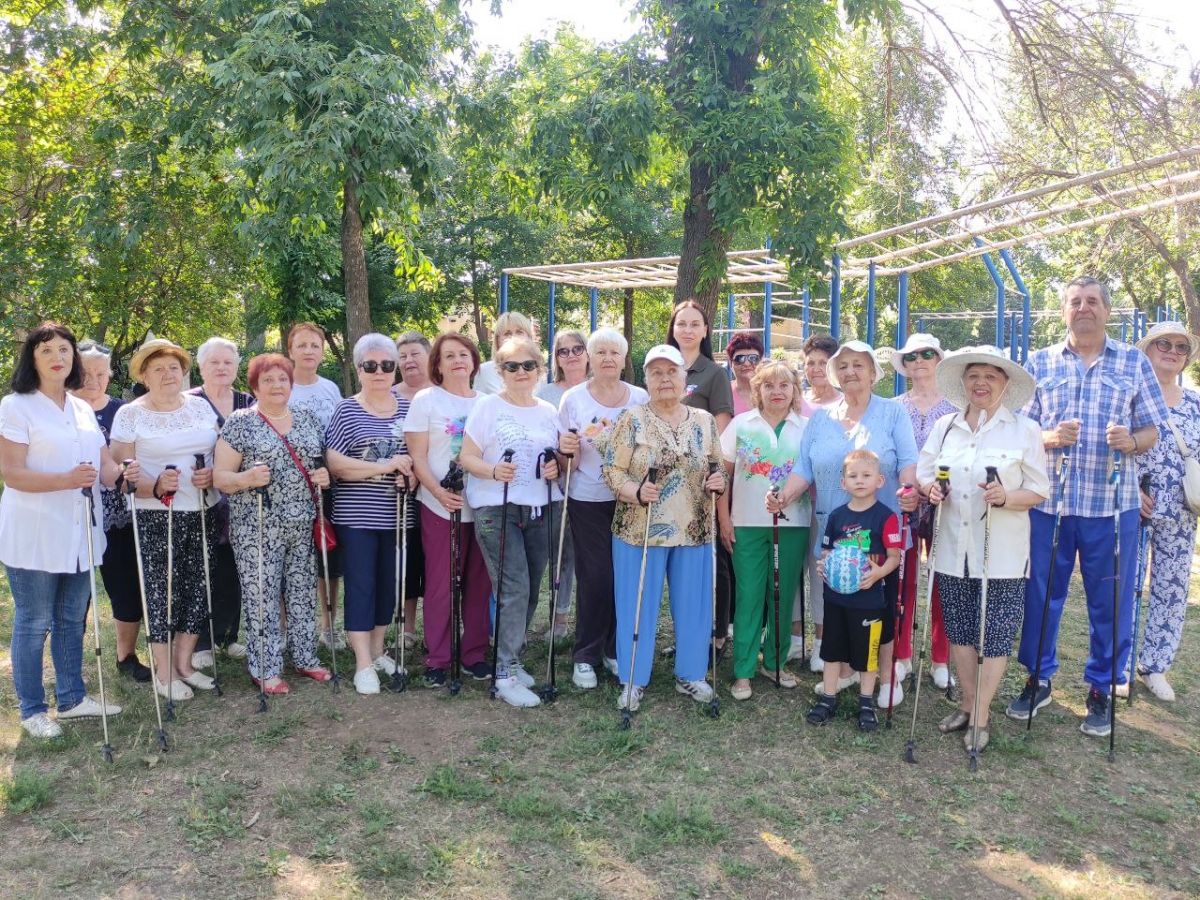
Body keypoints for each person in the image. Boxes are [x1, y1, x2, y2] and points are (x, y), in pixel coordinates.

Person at [1006, 276, 1167, 737]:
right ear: (1063, 312)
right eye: (1074, 301)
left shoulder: (1134, 362)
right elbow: (1020, 430)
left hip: (1112, 506)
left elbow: (1152, 428)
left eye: (1092, 301)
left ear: (1107, 310)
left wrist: (1132, 441)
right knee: (1040, 594)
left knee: (1110, 600)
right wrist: (1051, 437)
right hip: (1049, 503)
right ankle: (1038, 677)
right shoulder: (1039, 362)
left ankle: (1101, 687)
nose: (1083, 308)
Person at [770, 340, 919, 707]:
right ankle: (850, 672)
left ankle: (885, 676)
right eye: (845, 366)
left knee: (879, 605)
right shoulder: (821, 418)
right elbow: (804, 468)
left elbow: (908, 461)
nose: (851, 372)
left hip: (880, 531)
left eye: (859, 365)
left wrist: (910, 490)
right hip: (835, 529)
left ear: (872, 372)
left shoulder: (892, 413)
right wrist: (783, 495)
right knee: (837, 601)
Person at [1, 324, 130, 738]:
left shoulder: (81, 408)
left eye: (64, 349)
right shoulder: (16, 406)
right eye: (46, 350)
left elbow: (104, 465)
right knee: (34, 621)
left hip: (81, 531)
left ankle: (72, 698)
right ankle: (33, 709)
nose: (58, 357)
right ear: (32, 359)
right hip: (35, 532)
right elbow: (11, 473)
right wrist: (67, 479)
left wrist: (122, 474)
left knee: (73, 617)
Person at [918, 346, 1049, 753]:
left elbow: (1039, 490)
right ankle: (968, 703)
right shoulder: (944, 426)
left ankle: (982, 714)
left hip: (1003, 554)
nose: (981, 383)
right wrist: (931, 489)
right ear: (962, 382)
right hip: (953, 548)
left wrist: (1006, 496)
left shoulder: (1024, 430)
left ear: (1005, 384)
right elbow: (925, 472)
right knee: (959, 629)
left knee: (994, 635)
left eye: (991, 376)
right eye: (974, 375)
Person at [605, 344, 726, 713]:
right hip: (640, 529)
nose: (664, 379)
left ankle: (691, 674)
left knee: (694, 605)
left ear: (684, 377)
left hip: (694, 527)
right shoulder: (632, 419)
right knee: (636, 605)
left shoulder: (704, 421)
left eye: (671, 371)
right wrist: (636, 491)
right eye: (656, 373)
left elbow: (716, 466)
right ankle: (632, 679)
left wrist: (717, 482)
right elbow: (612, 470)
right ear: (646, 380)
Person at [213, 354, 332, 693]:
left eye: (282, 379)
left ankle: (306, 657)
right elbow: (221, 477)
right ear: (255, 386)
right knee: (261, 595)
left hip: (302, 521)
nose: (277, 385)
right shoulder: (241, 422)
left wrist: (324, 476)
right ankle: (264, 668)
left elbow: (318, 465)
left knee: (302, 591)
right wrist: (248, 478)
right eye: (268, 380)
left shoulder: (307, 419)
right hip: (258, 526)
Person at [110, 337, 219, 702]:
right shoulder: (131, 414)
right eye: (158, 369)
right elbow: (121, 469)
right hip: (158, 514)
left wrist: (213, 473)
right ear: (144, 375)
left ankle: (186, 664)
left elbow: (217, 453)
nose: (168, 374)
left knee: (198, 588)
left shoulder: (201, 408)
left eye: (174, 367)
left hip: (203, 509)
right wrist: (154, 486)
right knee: (161, 593)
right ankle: (164, 671)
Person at [459, 336, 562, 707]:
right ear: (500, 372)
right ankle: (503, 674)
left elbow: (558, 459)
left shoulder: (549, 411)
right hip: (496, 508)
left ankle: (513, 659)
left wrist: (556, 466)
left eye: (528, 365)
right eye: (512, 366)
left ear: (539, 369)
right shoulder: (487, 407)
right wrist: (492, 469)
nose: (521, 372)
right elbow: (466, 457)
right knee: (513, 588)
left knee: (532, 588)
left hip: (540, 508)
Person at [556, 327, 648, 689]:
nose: (608, 358)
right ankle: (585, 655)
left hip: (631, 500)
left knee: (625, 577)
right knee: (596, 577)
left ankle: (614, 650)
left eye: (615, 352)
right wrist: (567, 448)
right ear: (590, 359)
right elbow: (566, 459)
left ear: (625, 360)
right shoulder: (574, 399)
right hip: (588, 498)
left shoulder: (639, 397)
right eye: (601, 352)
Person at [324, 334, 415, 694]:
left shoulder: (409, 409)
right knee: (361, 587)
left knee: (388, 588)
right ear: (358, 369)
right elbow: (335, 463)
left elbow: (420, 459)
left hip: (398, 516)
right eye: (370, 366)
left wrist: (410, 478)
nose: (379, 372)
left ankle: (378, 651)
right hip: (357, 518)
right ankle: (362, 663)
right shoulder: (348, 410)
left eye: (387, 365)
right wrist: (384, 467)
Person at [404, 333, 493, 687]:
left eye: (463, 354)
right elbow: (418, 457)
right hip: (441, 505)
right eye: (448, 356)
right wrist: (439, 492)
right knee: (441, 584)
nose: (457, 360)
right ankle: (438, 658)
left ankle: (473, 654)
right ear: (437, 365)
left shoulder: (490, 403)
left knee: (479, 583)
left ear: (473, 361)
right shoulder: (427, 400)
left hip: (484, 505)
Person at [719, 359, 810, 700]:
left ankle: (774, 662)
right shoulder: (741, 425)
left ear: (794, 391)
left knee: (783, 597)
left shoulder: (806, 427)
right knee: (749, 597)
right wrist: (724, 518)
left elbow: (810, 473)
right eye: (768, 386)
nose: (776, 392)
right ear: (757, 390)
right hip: (745, 522)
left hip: (793, 523)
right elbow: (723, 474)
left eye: (784, 385)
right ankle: (743, 671)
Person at [802, 450, 902, 731]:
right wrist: (823, 567)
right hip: (835, 598)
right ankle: (828, 699)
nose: (860, 481)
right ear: (843, 483)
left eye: (866, 475)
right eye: (853, 476)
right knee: (833, 651)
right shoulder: (836, 516)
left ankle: (866, 703)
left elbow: (895, 557)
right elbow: (826, 552)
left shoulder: (886, 517)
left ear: (880, 480)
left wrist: (877, 575)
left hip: (868, 600)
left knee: (867, 654)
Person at [71, 340, 149, 682]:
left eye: (101, 373)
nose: (93, 380)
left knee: (126, 586)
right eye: (86, 373)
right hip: (76, 514)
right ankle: (70, 665)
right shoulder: (63, 411)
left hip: (119, 515)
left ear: (109, 376)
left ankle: (126, 656)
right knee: (74, 596)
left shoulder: (123, 411)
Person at [1130, 321, 1200, 702]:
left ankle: (1155, 667)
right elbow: (1115, 448)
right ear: (1148, 350)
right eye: (1163, 344)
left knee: (1171, 592)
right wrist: (1130, 490)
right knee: (1126, 587)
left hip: (1182, 512)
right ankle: (1118, 666)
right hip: (1135, 506)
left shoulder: (1196, 404)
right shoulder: (1131, 396)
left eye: (1180, 347)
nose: (1172, 351)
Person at [667, 300, 735, 659]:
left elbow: (720, 438)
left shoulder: (714, 374)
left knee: (713, 560)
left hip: (703, 482)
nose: (688, 330)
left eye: (696, 324)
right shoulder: (662, 366)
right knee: (681, 562)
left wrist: (713, 477)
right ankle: (686, 634)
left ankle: (717, 635)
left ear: (706, 331)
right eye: (682, 324)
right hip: (668, 484)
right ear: (673, 329)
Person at [891, 333, 958, 689]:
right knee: (904, 579)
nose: (919, 360)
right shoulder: (894, 406)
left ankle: (941, 658)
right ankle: (902, 655)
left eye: (927, 353)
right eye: (912, 355)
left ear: (938, 359)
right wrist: (912, 488)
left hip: (943, 502)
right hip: (905, 503)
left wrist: (934, 487)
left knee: (941, 580)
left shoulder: (955, 407)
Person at [187, 336, 252, 666]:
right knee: (202, 569)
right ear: (201, 367)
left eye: (228, 362)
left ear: (237, 366)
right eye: (214, 362)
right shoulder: (188, 402)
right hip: (199, 497)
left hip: (240, 498)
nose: (222, 367)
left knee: (233, 568)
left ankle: (228, 636)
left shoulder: (248, 401)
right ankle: (199, 643)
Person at [287, 322, 345, 652]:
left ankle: (328, 625)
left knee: (328, 556)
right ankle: (285, 628)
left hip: (327, 481)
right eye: (302, 345)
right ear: (290, 351)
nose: (309, 350)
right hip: (290, 483)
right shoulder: (282, 384)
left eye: (315, 345)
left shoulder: (330, 389)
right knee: (290, 556)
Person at [792, 334, 843, 669]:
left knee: (821, 572)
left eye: (823, 363)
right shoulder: (796, 402)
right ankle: (795, 639)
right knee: (794, 571)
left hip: (830, 502)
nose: (815, 369)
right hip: (795, 501)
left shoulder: (842, 405)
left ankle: (823, 641)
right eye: (810, 362)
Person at [536, 329, 590, 640]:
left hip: (597, 489)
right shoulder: (545, 395)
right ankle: (560, 618)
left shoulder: (601, 389)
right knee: (562, 554)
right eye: (562, 351)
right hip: (558, 487)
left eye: (576, 349)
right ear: (555, 358)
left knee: (592, 558)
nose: (570, 355)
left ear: (587, 353)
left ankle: (591, 617)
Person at [393, 331, 430, 650]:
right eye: (402, 355)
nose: (408, 360)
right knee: (408, 562)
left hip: (437, 494)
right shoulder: (390, 395)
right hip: (400, 495)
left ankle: (437, 626)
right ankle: (407, 626)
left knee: (432, 564)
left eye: (415, 353)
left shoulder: (444, 392)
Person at [475, 312, 535, 396]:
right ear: (498, 340)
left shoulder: (536, 370)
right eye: (507, 334)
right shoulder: (484, 371)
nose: (514, 337)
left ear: (529, 337)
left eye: (519, 332)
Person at [725, 331, 765, 416]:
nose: (747, 364)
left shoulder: (774, 391)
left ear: (761, 361)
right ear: (731, 363)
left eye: (753, 358)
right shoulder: (722, 394)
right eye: (739, 359)